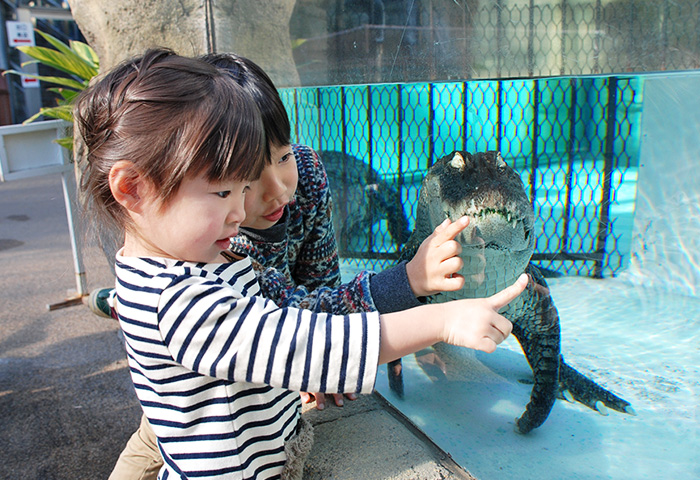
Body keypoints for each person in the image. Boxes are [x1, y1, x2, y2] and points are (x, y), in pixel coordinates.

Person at [80, 49, 527, 479]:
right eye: (227, 190)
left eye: (279, 159)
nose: (240, 211)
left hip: (248, 420)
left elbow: (308, 312)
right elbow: (305, 344)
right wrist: (437, 321)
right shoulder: (180, 300)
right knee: (156, 434)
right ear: (132, 188)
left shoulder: (184, 255)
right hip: (223, 450)